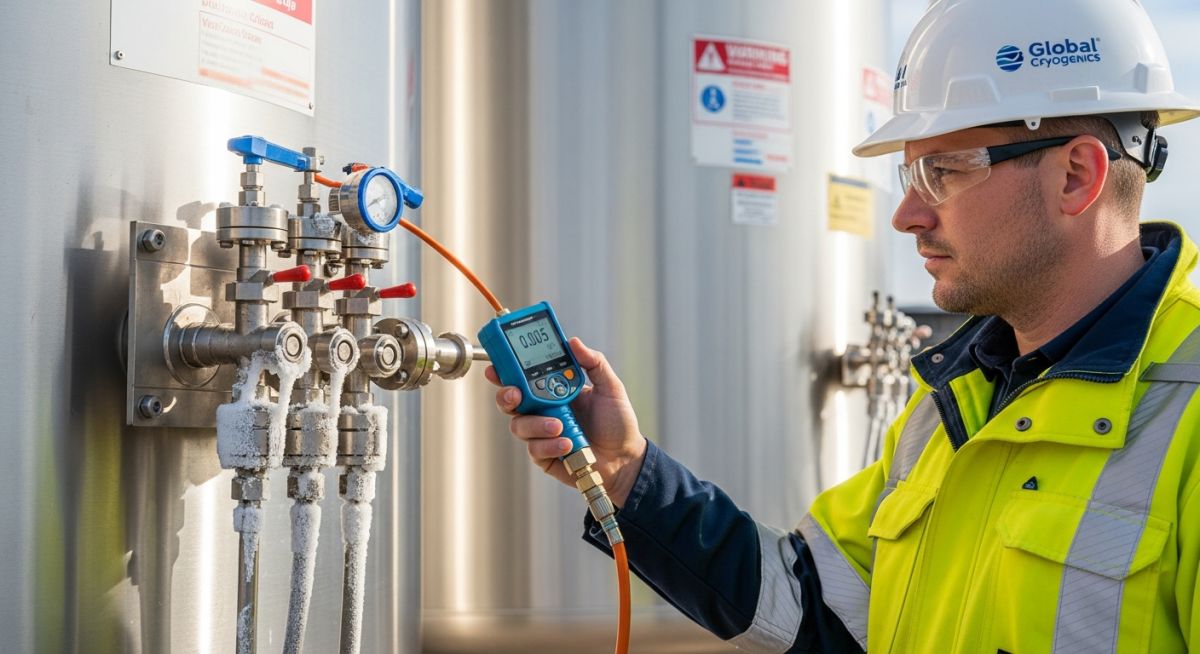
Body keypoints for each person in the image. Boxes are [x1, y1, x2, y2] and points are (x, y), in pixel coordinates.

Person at [488, 0, 1200, 651]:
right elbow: (808, 603)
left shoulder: (1187, 408)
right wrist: (625, 473)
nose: (908, 215)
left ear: (1077, 174)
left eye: (944, 172)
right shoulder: (950, 408)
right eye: (910, 176)